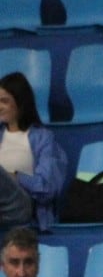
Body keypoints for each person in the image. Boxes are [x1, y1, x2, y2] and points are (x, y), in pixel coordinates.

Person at [0, 71, 66, 232]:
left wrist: (15, 177)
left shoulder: (43, 138)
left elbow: (48, 188)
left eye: (4, 101)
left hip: (24, 206)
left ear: (20, 103)